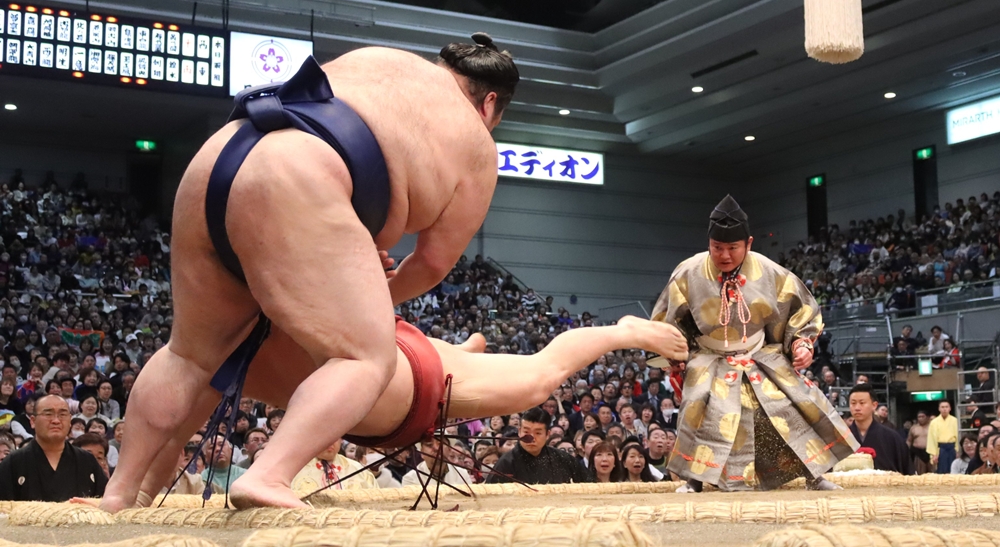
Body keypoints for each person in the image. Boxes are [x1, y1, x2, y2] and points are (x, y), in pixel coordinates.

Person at [102, 36, 522, 511]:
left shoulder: (382, 59)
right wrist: (374, 303)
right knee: (366, 356)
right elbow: (429, 264)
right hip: (302, 172)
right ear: (489, 103)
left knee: (189, 356)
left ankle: (118, 492)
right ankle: (268, 475)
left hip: (221, 153)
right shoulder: (476, 141)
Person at [109, 308, 685, 507]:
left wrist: (129, 489)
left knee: (538, 379)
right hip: (388, 370)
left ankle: (623, 331)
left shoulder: (225, 336)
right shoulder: (206, 352)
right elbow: (171, 423)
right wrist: (129, 492)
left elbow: (171, 419)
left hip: (406, 377)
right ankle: (461, 352)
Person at [649, 195, 856, 493]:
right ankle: (696, 478)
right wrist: (675, 352)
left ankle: (815, 474)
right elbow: (667, 318)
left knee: (791, 403)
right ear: (708, 243)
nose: (724, 255)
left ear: (748, 243)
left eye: (732, 248)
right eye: (717, 248)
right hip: (709, 354)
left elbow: (800, 309)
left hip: (759, 351)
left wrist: (801, 344)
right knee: (701, 404)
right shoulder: (688, 271)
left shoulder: (769, 271)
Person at [0, 395, 107, 501]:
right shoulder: (13, 462)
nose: (56, 420)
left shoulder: (87, 461)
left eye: (62, 414)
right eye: (48, 414)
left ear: (70, 421)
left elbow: (104, 503)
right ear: (33, 421)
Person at [485, 407, 588, 484]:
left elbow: (588, 483)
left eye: (538, 433)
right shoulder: (506, 463)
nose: (531, 438)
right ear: (519, 432)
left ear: (547, 435)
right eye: (526, 432)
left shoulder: (562, 459)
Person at [847, 385, 913, 475]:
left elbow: (907, 471)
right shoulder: (840, 438)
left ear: (874, 405)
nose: (857, 408)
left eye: (862, 403)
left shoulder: (892, 437)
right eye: (853, 403)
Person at [291, 438, 377, 494]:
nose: (330, 441)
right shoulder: (292, 470)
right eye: (325, 436)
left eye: (335, 436)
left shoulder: (358, 470)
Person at [402, 436, 473, 489]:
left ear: (449, 450)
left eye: (441, 443)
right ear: (422, 453)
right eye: (429, 445)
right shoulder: (410, 479)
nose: (436, 448)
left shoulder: (463, 475)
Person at [927, 400, 959, 474]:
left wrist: (957, 450)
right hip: (940, 448)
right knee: (942, 471)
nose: (944, 409)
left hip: (952, 447)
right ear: (939, 409)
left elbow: (958, 436)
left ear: (950, 408)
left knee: (953, 470)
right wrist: (934, 454)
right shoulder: (934, 422)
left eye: (946, 407)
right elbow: (931, 439)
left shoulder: (955, 420)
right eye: (942, 407)